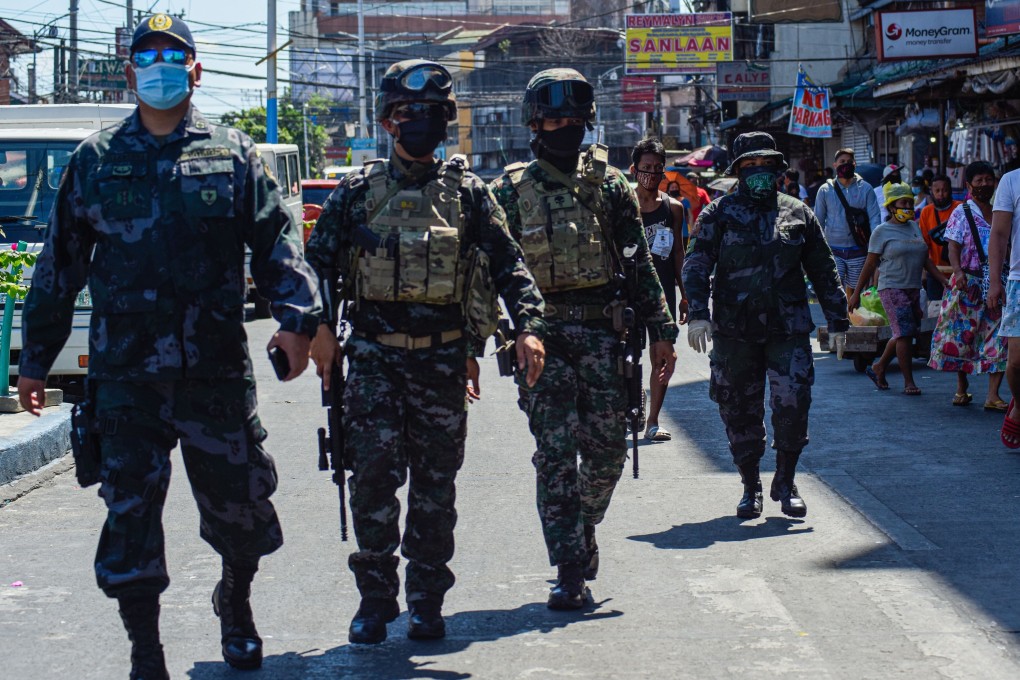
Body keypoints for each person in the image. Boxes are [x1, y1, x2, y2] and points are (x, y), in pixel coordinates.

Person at [16, 14, 321, 678]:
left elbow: (277, 246)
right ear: (129, 72)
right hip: (125, 377)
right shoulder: (95, 160)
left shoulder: (233, 155)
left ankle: (235, 603)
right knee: (130, 516)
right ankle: (144, 646)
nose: (160, 66)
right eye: (147, 55)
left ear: (195, 70)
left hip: (214, 371)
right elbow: (59, 264)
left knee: (241, 510)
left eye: (173, 55)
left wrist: (298, 320)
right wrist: (35, 359)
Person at [304, 59, 547, 644]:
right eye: (407, 113)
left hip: (440, 362)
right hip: (372, 361)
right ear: (388, 122)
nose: (419, 123)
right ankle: (375, 600)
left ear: (445, 123)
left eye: (431, 114)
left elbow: (511, 265)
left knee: (436, 487)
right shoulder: (356, 193)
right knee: (372, 482)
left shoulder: (468, 194)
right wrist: (317, 329)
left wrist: (530, 325)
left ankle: (427, 599)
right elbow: (314, 268)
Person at [491, 68, 678, 609]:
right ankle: (570, 568)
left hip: (602, 334)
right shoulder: (510, 189)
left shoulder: (611, 184)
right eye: (555, 118)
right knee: (554, 453)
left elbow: (638, 260)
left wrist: (662, 329)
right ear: (535, 124)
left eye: (575, 119)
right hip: (540, 336)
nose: (566, 127)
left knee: (607, 456)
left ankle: (582, 526)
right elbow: (491, 269)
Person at [683, 132, 849, 520]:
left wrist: (839, 321)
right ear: (738, 171)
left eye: (765, 165)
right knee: (738, 409)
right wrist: (696, 313)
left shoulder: (798, 212)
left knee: (794, 403)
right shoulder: (718, 213)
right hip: (734, 332)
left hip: (787, 330)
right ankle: (751, 485)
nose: (759, 172)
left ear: (777, 169)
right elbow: (696, 265)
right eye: (750, 166)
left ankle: (787, 481)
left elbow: (823, 269)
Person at [849, 183, 948, 395]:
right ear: (892, 206)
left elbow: (926, 259)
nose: (909, 207)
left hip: (913, 287)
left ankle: (879, 366)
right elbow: (870, 263)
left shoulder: (914, 227)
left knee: (905, 330)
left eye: (910, 203)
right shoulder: (881, 232)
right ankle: (909, 382)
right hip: (891, 288)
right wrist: (856, 293)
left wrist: (943, 280)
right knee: (904, 334)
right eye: (904, 203)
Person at [928, 162, 1007, 409]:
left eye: (989, 179)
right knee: (961, 336)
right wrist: (958, 272)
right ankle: (962, 388)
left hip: (996, 283)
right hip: (966, 283)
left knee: (1000, 337)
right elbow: (953, 246)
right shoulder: (961, 212)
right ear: (968, 185)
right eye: (979, 180)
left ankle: (993, 395)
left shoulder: (1000, 212)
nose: (985, 184)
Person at [631, 137, 689, 441]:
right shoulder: (622, 205)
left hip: (663, 294)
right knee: (626, 357)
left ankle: (652, 421)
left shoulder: (674, 208)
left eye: (657, 168)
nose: (652, 174)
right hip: (628, 293)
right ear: (634, 169)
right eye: (646, 168)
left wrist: (685, 294)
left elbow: (679, 253)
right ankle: (633, 401)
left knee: (665, 357)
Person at [814, 148, 882, 296]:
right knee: (835, 288)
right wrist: (817, 249)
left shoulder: (866, 189)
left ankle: (851, 317)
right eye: (842, 162)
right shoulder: (825, 190)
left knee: (855, 290)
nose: (846, 164)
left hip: (858, 250)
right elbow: (817, 221)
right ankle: (839, 318)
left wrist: (875, 246)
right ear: (835, 165)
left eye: (849, 162)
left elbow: (875, 218)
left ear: (855, 164)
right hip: (833, 250)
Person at [988, 167, 1020, 447]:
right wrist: (995, 282)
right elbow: (998, 234)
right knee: (1016, 362)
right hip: (1019, 282)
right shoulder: (1012, 180)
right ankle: (1019, 404)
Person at [917, 174, 960, 301]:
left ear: (950, 191)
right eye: (937, 190)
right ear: (931, 191)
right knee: (935, 311)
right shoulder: (926, 212)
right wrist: (923, 271)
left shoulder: (959, 208)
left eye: (945, 190)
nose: (941, 194)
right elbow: (924, 245)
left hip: (958, 272)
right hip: (935, 272)